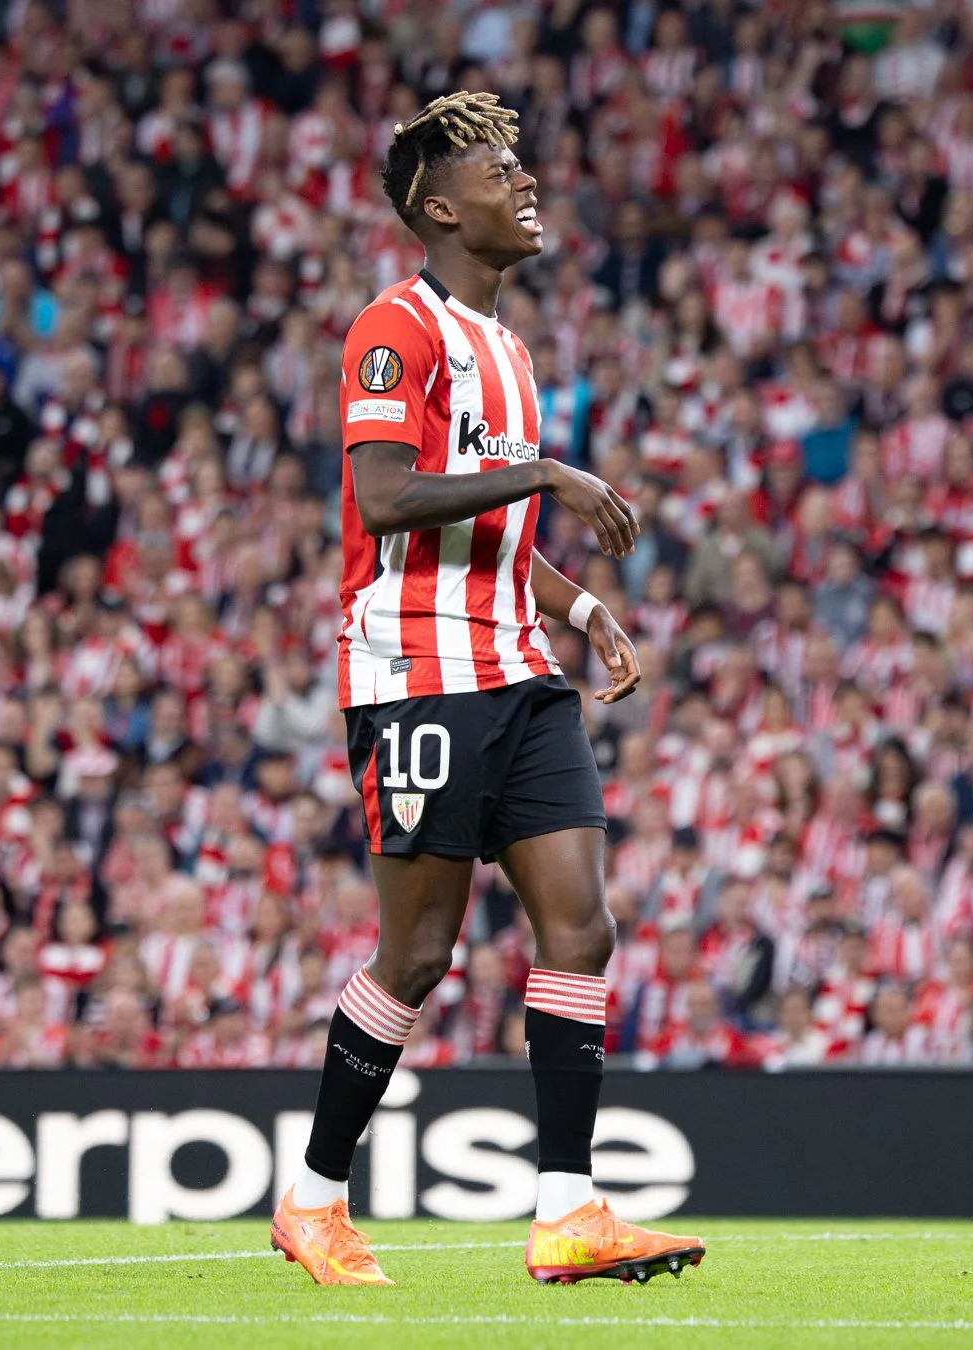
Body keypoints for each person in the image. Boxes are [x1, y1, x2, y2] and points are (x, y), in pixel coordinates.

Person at [270, 91, 705, 1289]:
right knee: (418, 954)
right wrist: (550, 472)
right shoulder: (391, 329)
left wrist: (583, 609)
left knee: (582, 923)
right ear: (440, 209)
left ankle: (568, 1212)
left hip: (518, 669)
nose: (525, 181)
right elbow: (387, 499)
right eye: (498, 171)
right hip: (416, 673)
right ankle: (313, 1200)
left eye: (522, 165)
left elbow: (492, 531)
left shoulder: (508, 350)